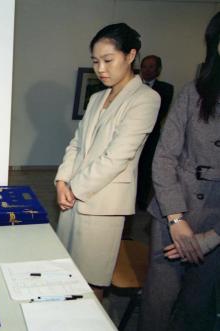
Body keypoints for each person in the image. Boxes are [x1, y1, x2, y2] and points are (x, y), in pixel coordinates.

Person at [54, 23, 160, 301]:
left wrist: (74, 188)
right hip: (72, 197)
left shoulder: (146, 99)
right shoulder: (97, 97)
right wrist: (62, 181)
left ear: (130, 55)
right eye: (95, 61)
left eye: (108, 60)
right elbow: (76, 143)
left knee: (91, 282)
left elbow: (117, 157)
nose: (100, 69)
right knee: (64, 270)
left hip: (103, 202)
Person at [139, 12, 220, 331]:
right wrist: (175, 218)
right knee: (157, 303)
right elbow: (164, 157)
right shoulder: (193, 92)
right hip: (174, 214)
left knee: (198, 307)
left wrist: (213, 238)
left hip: (216, 226)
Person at [137, 55, 174, 209]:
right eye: (144, 66)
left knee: (145, 169)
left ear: (158, 70)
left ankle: (141, 201)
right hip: (130, 134)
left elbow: (160, 113)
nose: (146, 70)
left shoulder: (165, 88)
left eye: (151, 66)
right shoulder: (133, 86)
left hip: (151, 136)